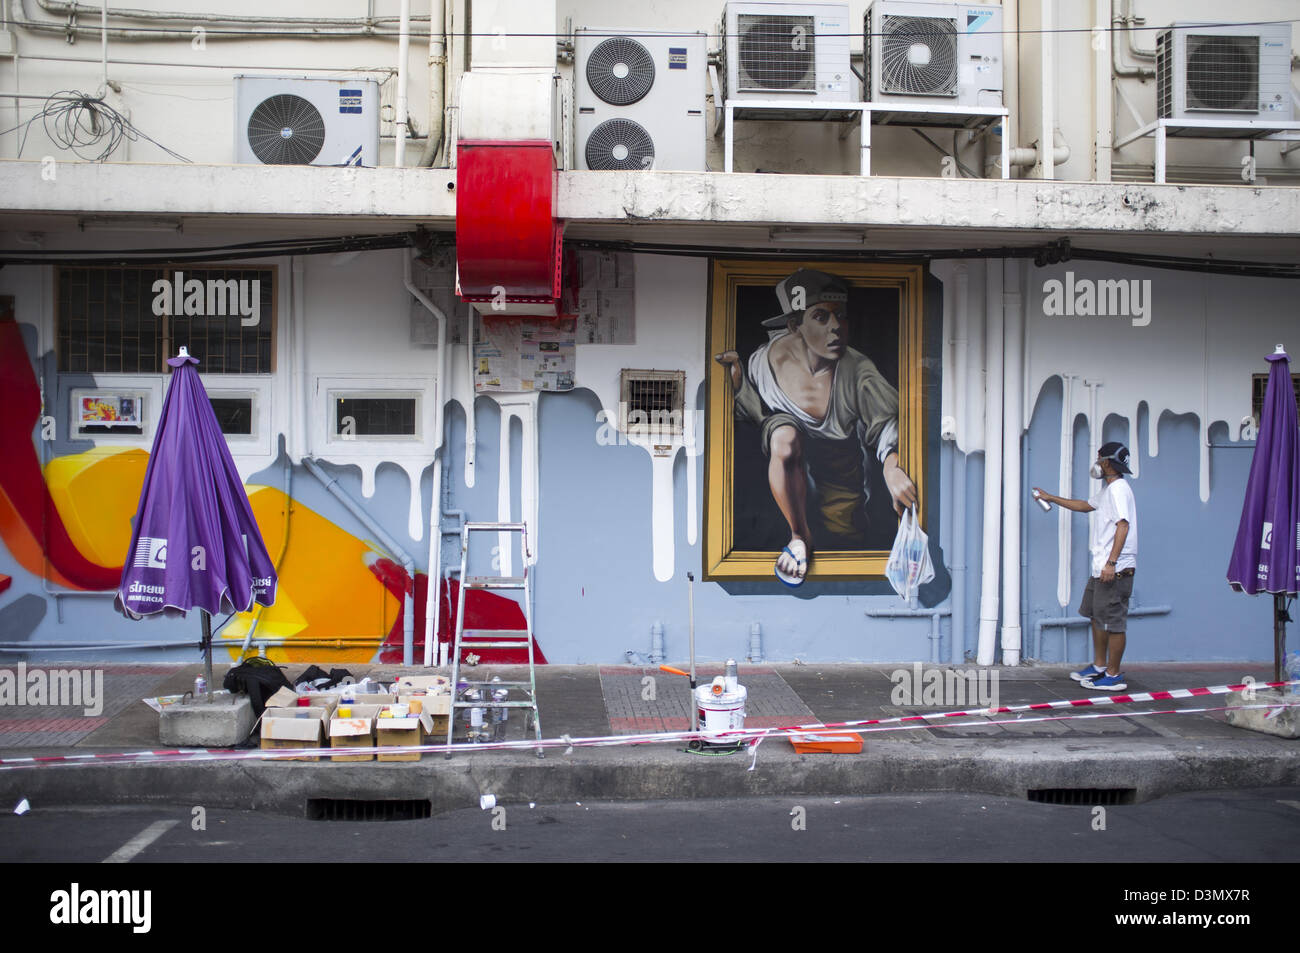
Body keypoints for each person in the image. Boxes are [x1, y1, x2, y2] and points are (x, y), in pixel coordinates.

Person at [715, 268, 917, 586]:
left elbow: (887, 421)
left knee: (844, 529)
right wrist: (737, 383)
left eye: (841, 316)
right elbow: (753, 410)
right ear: (795, 326)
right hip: (786, 454)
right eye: (821, 316)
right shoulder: (766, 362)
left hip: (840, 461)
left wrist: (892, 467)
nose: (836, 327)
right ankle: (799, 538)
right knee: (784, 437)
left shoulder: (857, 370)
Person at [1033, 441, 1138, 690]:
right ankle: (1100, 667)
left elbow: (1123, 525)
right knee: (1096, 616)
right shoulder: (1108, 490)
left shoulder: (1119, 490)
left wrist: (1112, 563)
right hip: (1102, 567)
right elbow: (1085, 506)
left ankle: (1113, 676)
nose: (1097, 463)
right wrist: (1050, 498)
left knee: (1113, 622)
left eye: (1100, 459)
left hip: (1116, 568)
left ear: (1109, 463)